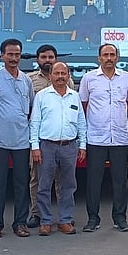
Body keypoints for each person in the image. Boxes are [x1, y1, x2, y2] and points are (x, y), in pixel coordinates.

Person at [80, 43, 128, 232]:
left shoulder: (126, 78)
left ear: (117, 58)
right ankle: (92, 219)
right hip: (96, 137)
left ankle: (120, 218)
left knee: (119, 181)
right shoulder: (89, 78)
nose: (109, 58)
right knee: (94, 180)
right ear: (99, 58)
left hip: (119, 137)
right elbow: (84, 104)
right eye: (105, 55)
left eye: (112, 55)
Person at [30, 62, 87, 235]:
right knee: (44, 185)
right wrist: (35, 147)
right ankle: (46, 221)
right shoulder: (42, 96)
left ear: (69, 76)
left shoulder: (74, 96)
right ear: (51, 76)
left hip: (69, 146)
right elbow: (35, 122)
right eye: (57, 73)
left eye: (64, 73)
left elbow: (81, 122)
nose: (60, 76)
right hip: (47, 146)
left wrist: (82, 145)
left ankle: (65, 220)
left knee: (68, 186)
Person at [0, 39, 33, 238]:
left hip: (22, 139)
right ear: (2, 56)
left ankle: (20, 223)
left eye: (17, 54)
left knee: (22, 183)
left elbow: (30, 108)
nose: (14, 58)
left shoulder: (26, 80)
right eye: (10, 54)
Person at [26, 44, 74, 228]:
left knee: (64, 181)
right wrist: (35, 144)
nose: (47, 60)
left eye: (51, 57)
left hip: (63, 141)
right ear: (37, 59)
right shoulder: (30, 80)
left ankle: (65, 217)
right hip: (41, 139)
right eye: (43, 57)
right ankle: (37, 214)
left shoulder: (67, 82)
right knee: (38, 179)